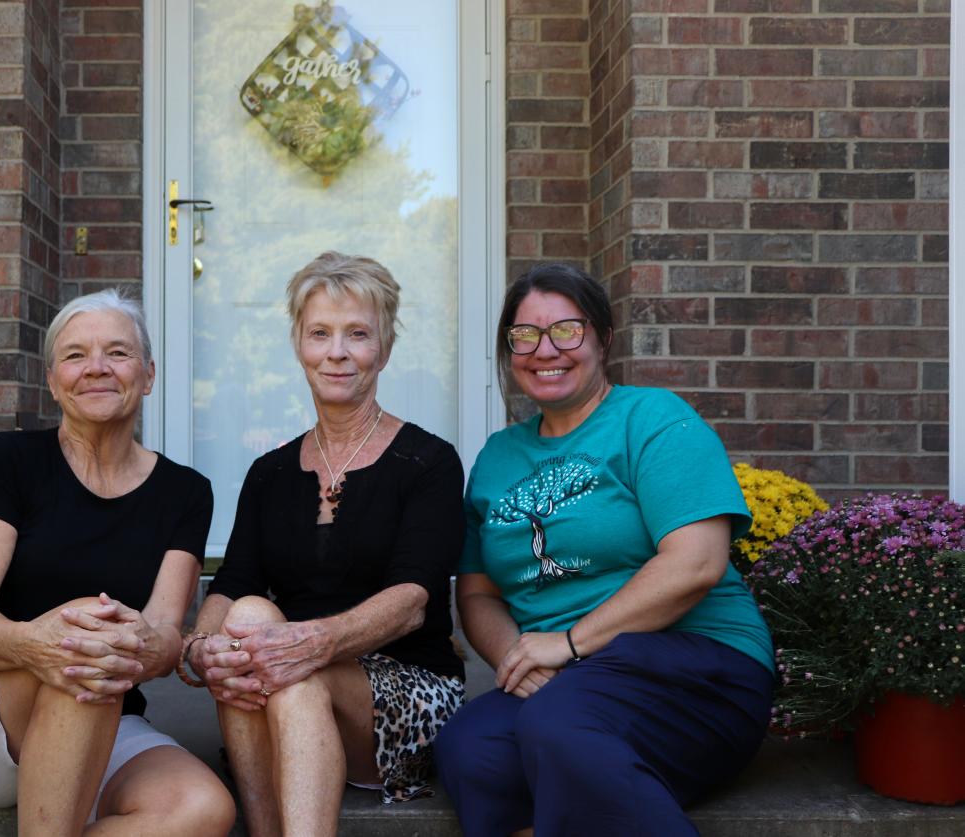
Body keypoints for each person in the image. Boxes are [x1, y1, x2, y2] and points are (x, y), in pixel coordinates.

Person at [435, 263, 774, 837]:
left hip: (694, 663)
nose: (546, 350)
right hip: (570, 682)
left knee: (560, 724)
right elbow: (478, 593)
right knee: (472, 748)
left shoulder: (652, 419)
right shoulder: (496, 458)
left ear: (603, 338)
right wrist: (519, 661)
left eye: (566, 330)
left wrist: (567, 644)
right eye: (524, 336)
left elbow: (696, 563)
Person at [0, 289, 235, 837]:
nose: (97, 368)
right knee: (90, 628)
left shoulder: (186, 491)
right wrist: (39, 647)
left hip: (103, 709)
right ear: (54, 381)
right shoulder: (12, 460)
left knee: (200, 809)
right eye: (76, 355)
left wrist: (156, 645)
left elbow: (162, 635)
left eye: (118, 353)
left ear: (148, 375)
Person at [179, 252, 466, 837]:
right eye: (320, 334)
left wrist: (312, 643)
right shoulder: (270, 472)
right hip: (285, 678)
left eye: (357, 334)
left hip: (408, 694)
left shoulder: (428, 461)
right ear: (299, 346)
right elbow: (233, 582)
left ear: (383, 349)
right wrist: (201, 649)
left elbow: (414, 599)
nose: (337, 351)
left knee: (289, 668)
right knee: (250, 618)